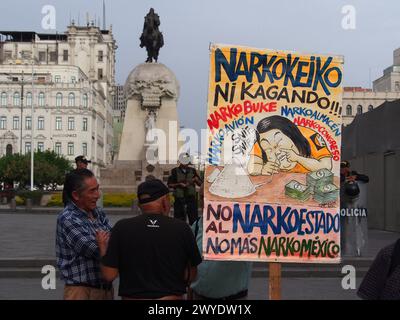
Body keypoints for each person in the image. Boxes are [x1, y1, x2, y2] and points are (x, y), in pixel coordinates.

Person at [97, 179, 202, 300]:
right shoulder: (182, 228)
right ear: (165, 200)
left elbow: (109, 275)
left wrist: (103, 248)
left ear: (139, 204)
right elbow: (190, 276)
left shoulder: (121, 228)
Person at [56, 169, 113, 300]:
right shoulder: (68, 218)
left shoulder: (98, 213)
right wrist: (104, 243)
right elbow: (94, 249)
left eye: (97, 189)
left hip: (105, 290)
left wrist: (105, 242)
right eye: (92, 191)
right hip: (81, 291)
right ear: (76, 195)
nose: (97, 195)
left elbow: (114, 241)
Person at [190, 186, 252, 300]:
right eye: (203, 197)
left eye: (211, 196)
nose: (206, 201)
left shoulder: (243, 226)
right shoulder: (197, 226)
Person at [248, 115, 332, 175]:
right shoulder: (263, 140)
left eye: (279, 141)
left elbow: (327, 167)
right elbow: (251, 167)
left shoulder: (312, 136)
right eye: (268, 149)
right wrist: (262, 169)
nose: (277, 151)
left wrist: (298, 158)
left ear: (291, 136)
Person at [168, 153, 202, 225]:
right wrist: (179, 184)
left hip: (191, 199)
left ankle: (193, 234)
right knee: (179, 220)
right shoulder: (174, 171)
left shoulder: (192, 170)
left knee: (193, 219)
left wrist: (196, 179)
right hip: (179, 199)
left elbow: (200, 184)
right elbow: (170, 184)